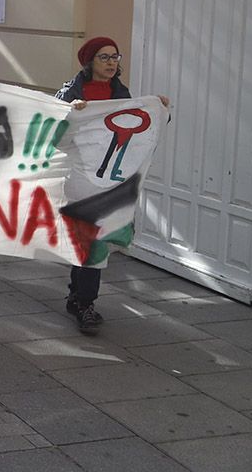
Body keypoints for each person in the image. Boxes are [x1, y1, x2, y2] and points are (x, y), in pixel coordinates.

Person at [55, 36, 170, 335]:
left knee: (92, 243)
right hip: (80, 181)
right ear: (90, 61)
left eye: (115, 57)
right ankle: (83, 302)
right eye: (104, 57)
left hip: (109, 183)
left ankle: (79, 299)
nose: (111, 62)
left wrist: (159, 111)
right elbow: (54, 137)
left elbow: (138, 130)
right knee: (88, 242)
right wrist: (71, 114)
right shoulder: (71, 92)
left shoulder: (121, 93)